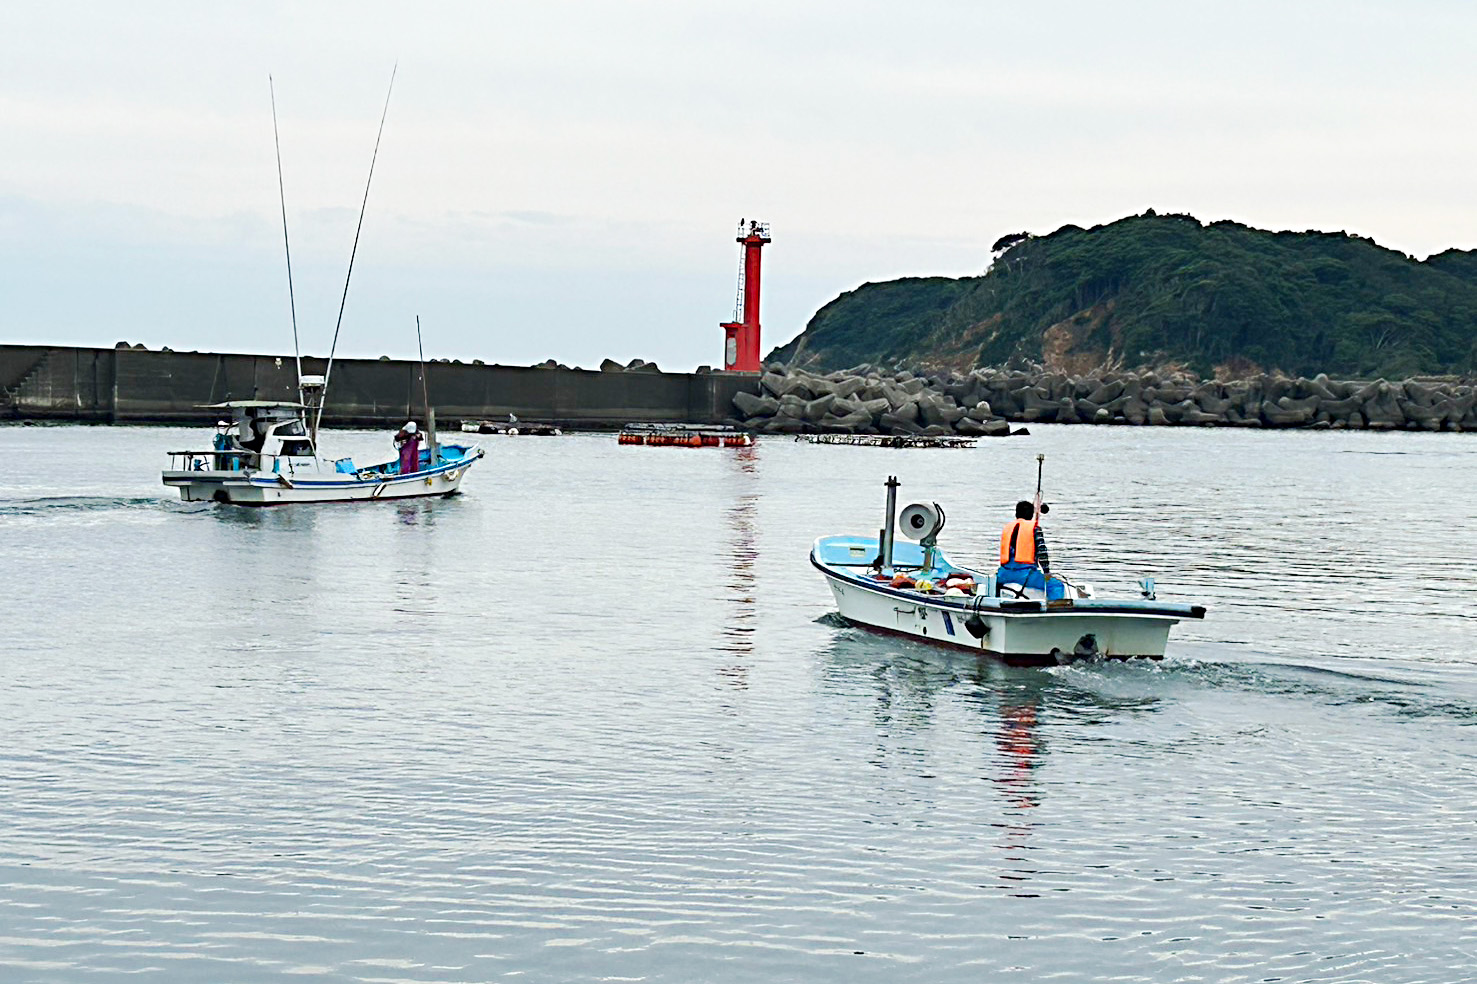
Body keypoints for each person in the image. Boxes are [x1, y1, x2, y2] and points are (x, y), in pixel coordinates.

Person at [996, 500, 1066, 601]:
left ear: (1016, 514)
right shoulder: (1035, 529)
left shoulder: (1007, 528)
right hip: (1025, 575)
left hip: (1003, 574)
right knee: (1056, 585)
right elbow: (1042, 553)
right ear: (1031, 515)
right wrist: (1047, 572)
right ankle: (1054, 609)